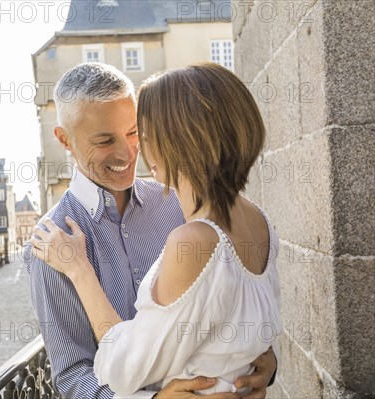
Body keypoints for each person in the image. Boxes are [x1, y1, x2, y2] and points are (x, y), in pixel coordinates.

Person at [26, 62, 278, 399]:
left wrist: (257, 360)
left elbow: (227, 314)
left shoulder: (183, 205)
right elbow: (72, 376)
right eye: (104, 140)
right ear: (64, 140)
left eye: (134, 133)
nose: (128, 152)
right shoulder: (50, 245)